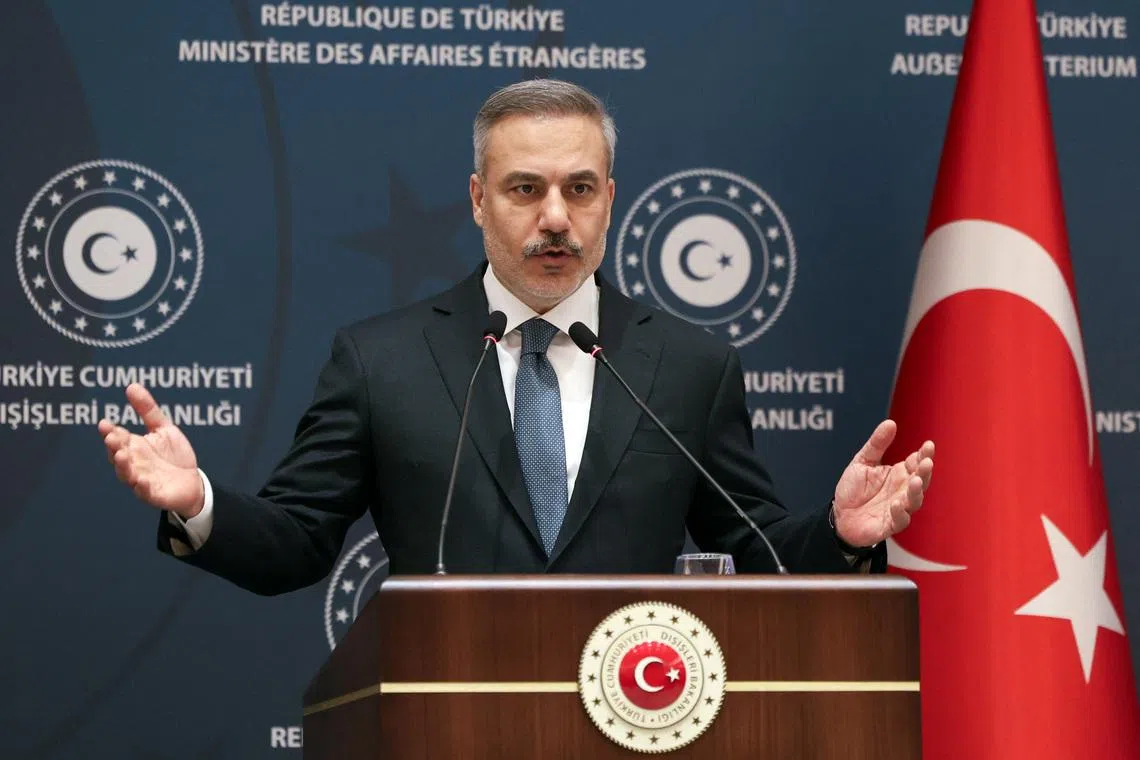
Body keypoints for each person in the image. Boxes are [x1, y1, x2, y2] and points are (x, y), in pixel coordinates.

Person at [98, 79, 934, 594]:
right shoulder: (379, 361)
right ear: (476, 200)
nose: (555, 219)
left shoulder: (689, 366)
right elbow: (294, 544)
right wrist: (199, 503)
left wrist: (838, 532)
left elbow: (756, 552)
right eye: (524, 188)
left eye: (578, 188)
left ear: (610, 198)